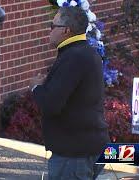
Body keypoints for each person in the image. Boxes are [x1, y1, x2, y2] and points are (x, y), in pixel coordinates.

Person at [30, 6, 110, 180]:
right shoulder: (88, 53)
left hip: (73, 155)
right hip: (89, 147)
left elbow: (51, 104)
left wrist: (37, 88)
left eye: (52, 26)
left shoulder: (73, 57)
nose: (49, 31)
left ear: (66, 30)